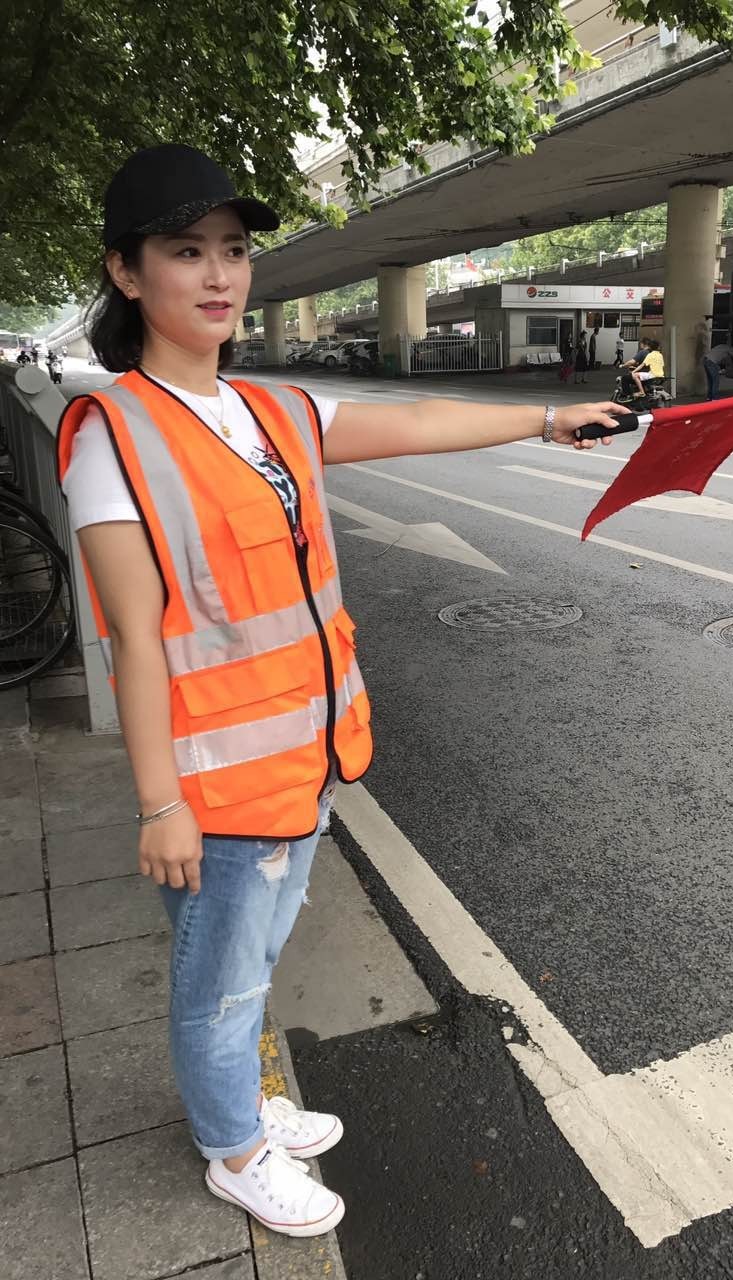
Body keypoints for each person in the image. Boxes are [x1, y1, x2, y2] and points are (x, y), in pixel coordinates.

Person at [57, 143, 626, 1242]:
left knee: (258, 960)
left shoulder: (269, 412)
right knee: (219, 983)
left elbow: (414, 425)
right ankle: (234, 1152)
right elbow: (134, 639)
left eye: (233, 250)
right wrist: (159, 801)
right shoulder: (113, 437)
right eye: (185, 251)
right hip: (217, 787)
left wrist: (552, 420)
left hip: (304, 759)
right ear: (127, 272)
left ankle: (242, 1104)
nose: (219, 275)